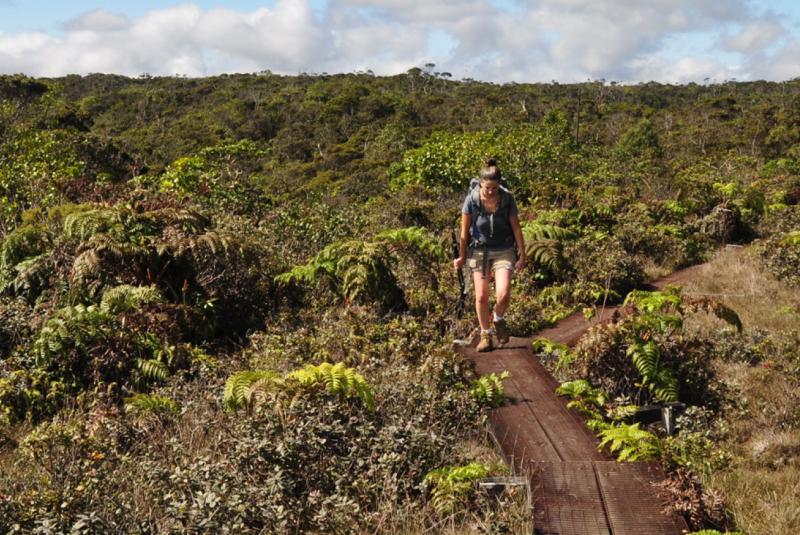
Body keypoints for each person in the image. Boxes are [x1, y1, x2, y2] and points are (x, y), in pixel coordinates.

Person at [453, 159, 526, 352]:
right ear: (480, 184)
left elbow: (516, 228)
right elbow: (464, 232)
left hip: (504, 249)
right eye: (487, 188)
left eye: (494, 188)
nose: (491, 191)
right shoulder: (472, 199)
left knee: (503, 292)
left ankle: (498, 319)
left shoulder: (507, 199)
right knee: (482, 296)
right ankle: (485, 335)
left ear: (499, 185)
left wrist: (522, 255)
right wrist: (461, 257)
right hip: (479, 250)